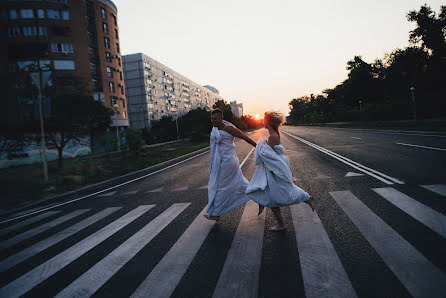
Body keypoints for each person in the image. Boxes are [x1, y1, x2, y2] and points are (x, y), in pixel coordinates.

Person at [246, 111, 315, 230]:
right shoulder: (273, 135)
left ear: (268, 122)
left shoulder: (272, 137)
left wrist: (261, 146)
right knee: (271, 194)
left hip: (273, 172)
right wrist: (262, 145)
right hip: (271, 171)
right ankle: (304, 199)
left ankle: (305, 199)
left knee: (276, 196)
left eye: (264, 119)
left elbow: (266, 156)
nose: (263, 121)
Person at [204, 108, 257, 220]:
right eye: (212, 119)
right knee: (241, 184)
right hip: (221, 162)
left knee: (220, 188)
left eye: (216, 119)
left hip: (227, 162)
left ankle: (216, 214)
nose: (213, 121)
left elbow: (245, 137)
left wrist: (259, 147)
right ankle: (260, 198)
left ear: (222, 118)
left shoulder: (229, 128)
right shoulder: (215, 129)